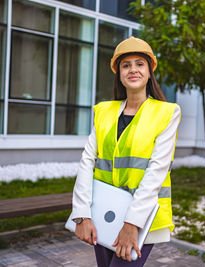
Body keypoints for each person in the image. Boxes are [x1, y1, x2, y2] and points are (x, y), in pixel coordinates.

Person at [70, 36, 181, 267]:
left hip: (140, 217)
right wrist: (82, 214)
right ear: (119, 73)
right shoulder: (103, 111)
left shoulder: (167, 113)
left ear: (149, 71)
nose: (133, 70)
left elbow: (156, 172)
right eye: (126, 65)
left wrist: (132, 224)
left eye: (140, 64)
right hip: (103, 212)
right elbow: (86, 162)